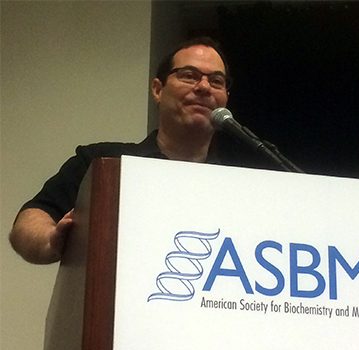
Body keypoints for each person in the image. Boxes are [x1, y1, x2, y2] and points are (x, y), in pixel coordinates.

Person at [9, 37, 230, 264]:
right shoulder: (103, 162)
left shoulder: (239, 183)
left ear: (225, 99)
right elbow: (29, 222)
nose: (204, 87)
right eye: (189, 75)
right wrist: (51, 240)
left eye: (216, 81)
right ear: (158, 90)